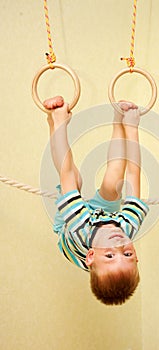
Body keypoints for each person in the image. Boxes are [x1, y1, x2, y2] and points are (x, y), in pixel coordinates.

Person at [44, 96, 149, 305]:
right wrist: (132, 128)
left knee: (74, 178)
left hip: (77, 228)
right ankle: (117, 119)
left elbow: (65, 172)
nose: (119, 245)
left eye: (110, 256)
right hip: (105, 218)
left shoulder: (78, 227)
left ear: (91, 256)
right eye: (128, 253)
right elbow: (134, 174)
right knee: (115, 182)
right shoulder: (126, 228)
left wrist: (60, 125)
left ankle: (53, 119)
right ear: (136, 256)